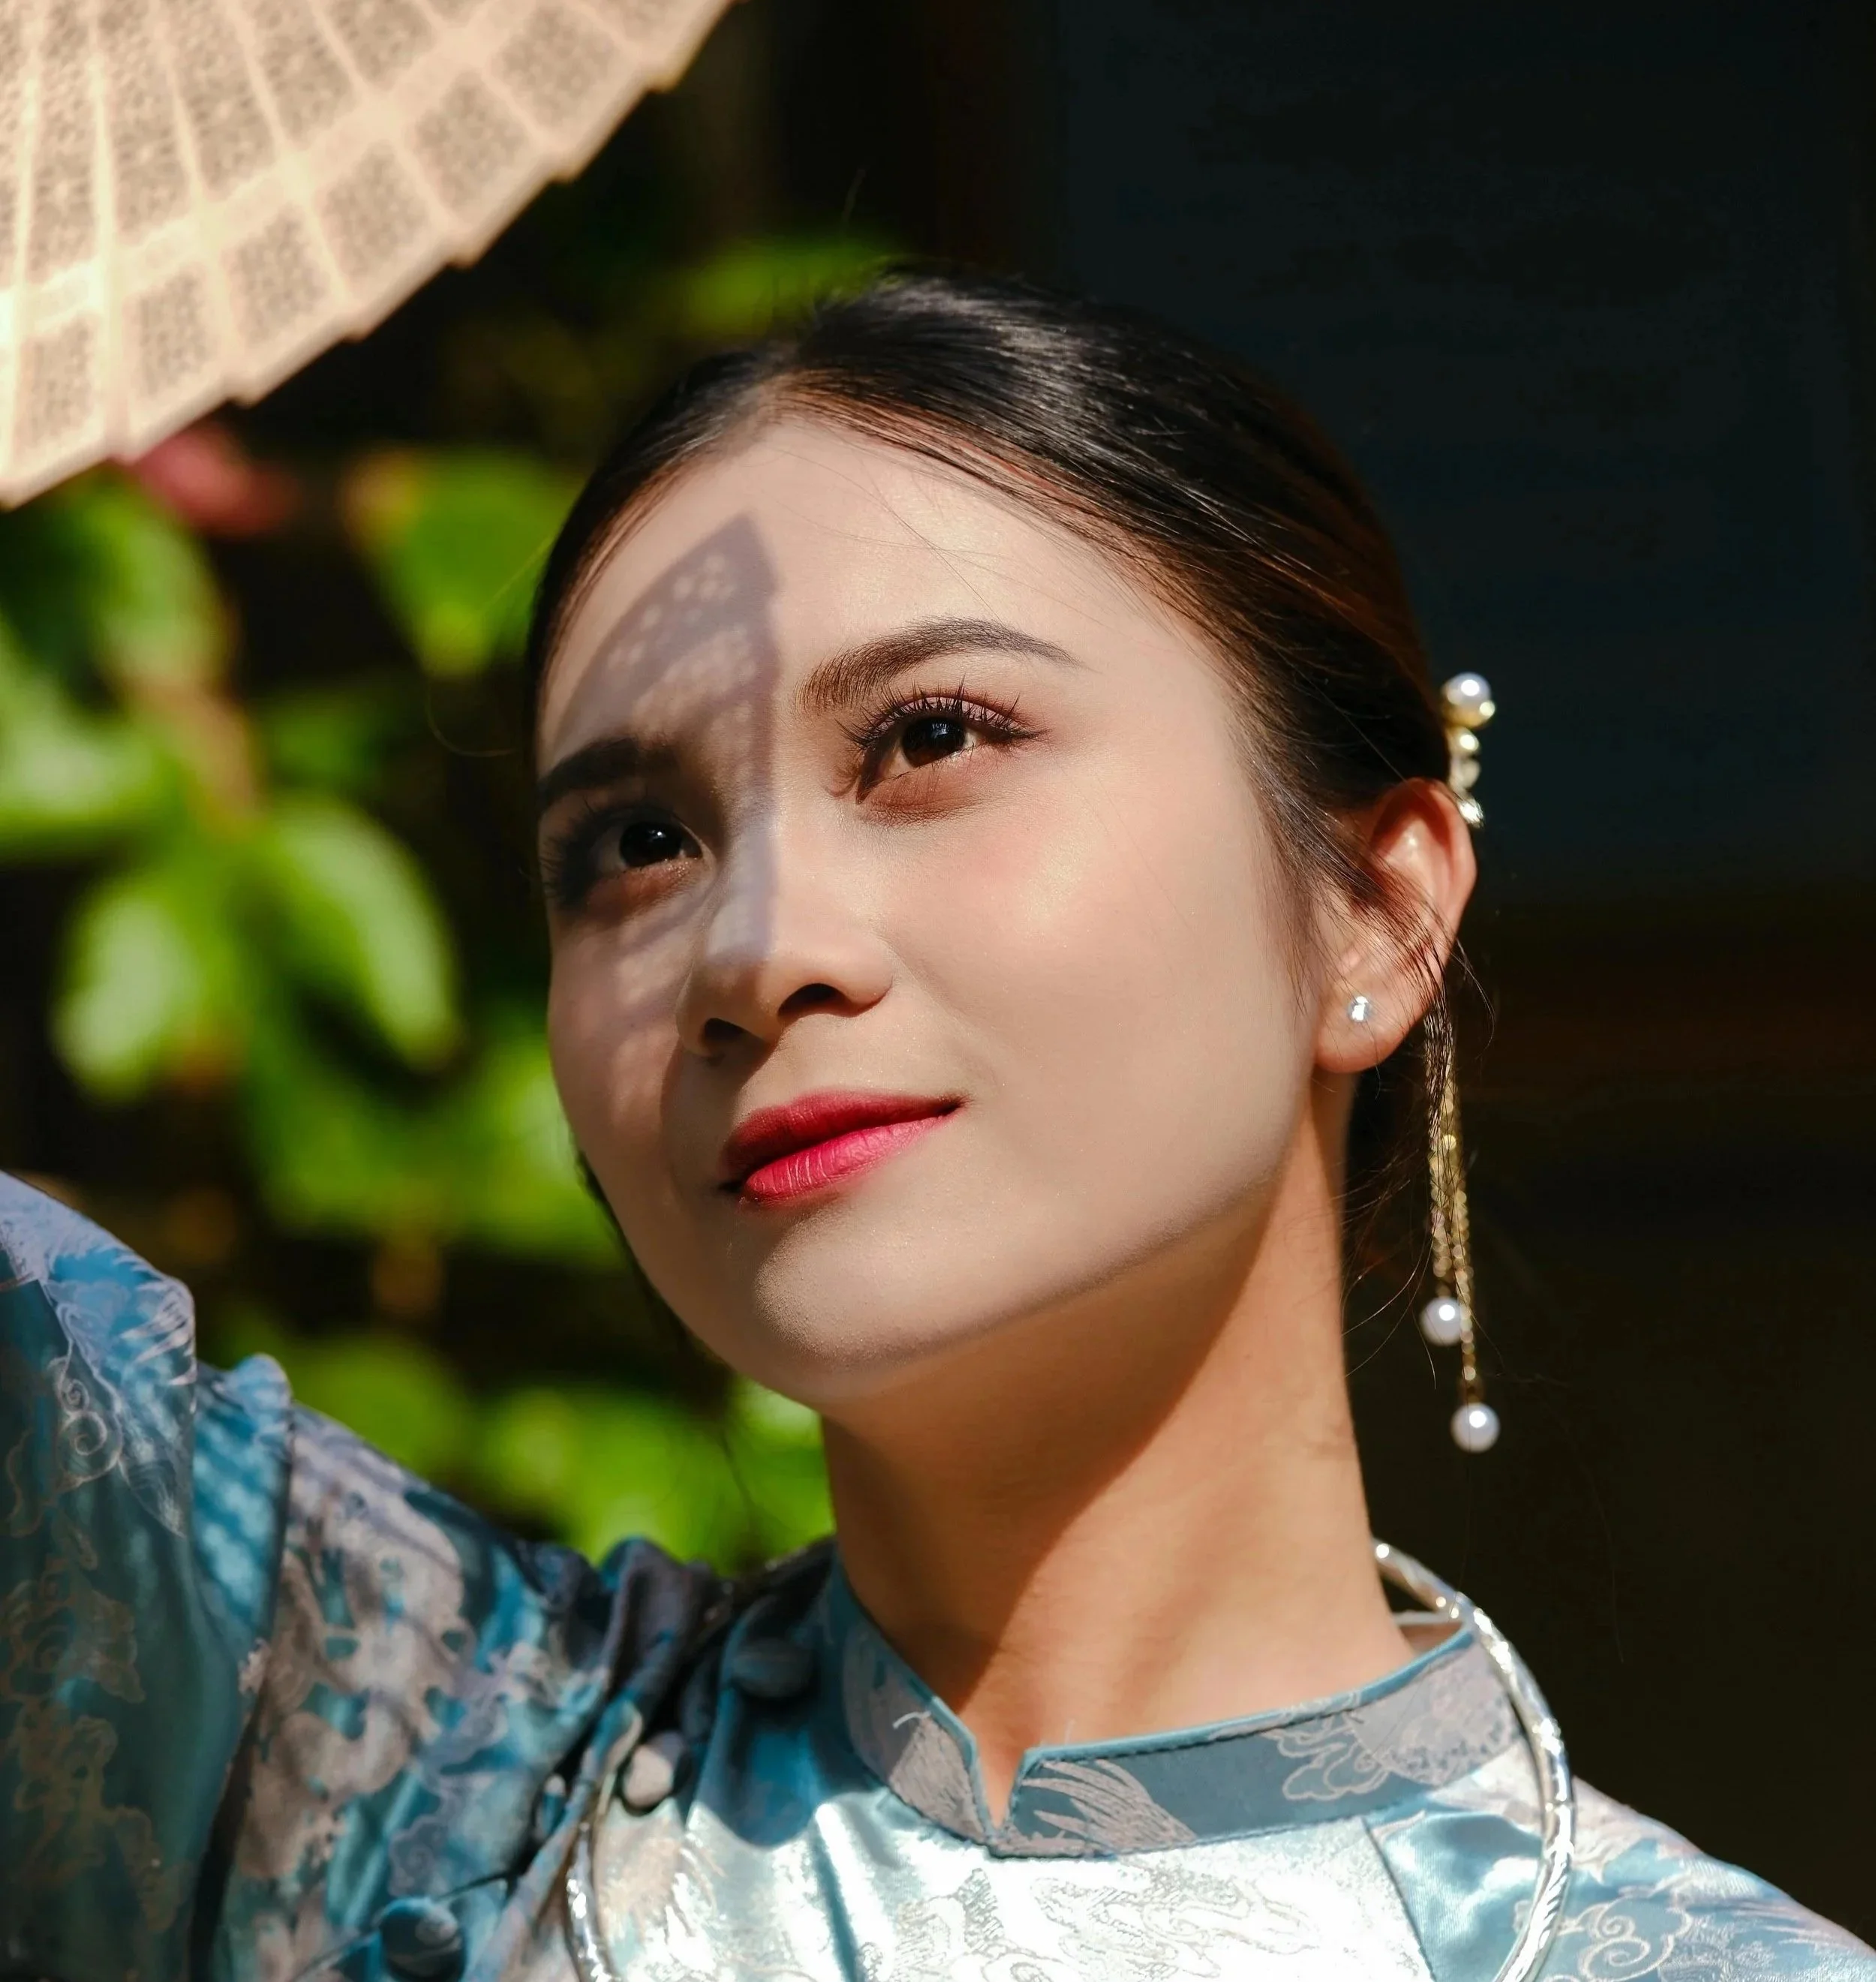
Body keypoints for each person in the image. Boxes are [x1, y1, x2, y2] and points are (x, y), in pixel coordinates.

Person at [1, 274, 1866, 1982]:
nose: (754, 951)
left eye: (929, 739)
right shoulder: (387, 1796)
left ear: (1370, 913)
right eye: (634, 847)